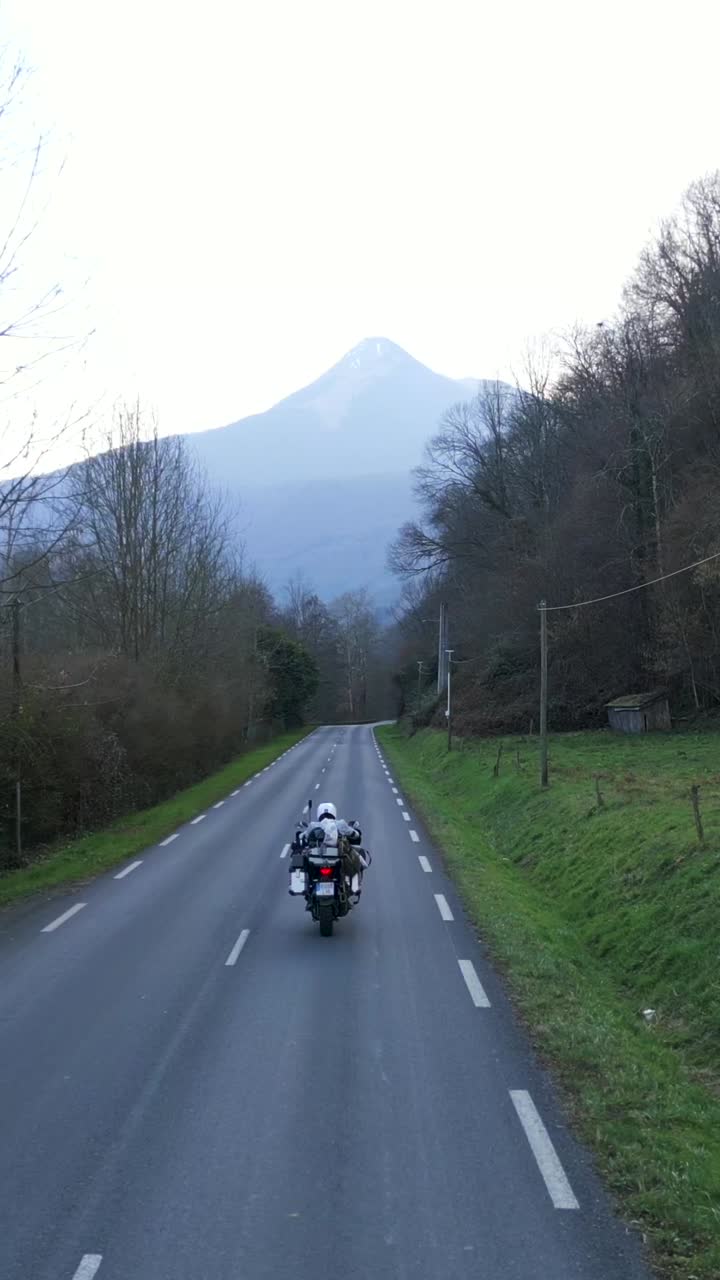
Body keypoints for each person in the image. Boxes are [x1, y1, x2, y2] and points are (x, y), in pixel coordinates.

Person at [292, 800, 371, 896]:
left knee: (300, 857)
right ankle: (355, 886)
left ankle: (299, 885)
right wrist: (355, 833)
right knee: (356, 860)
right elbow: (355, 834)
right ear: (334, 812)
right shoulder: (341, 824)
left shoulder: (313, 825)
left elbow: (302, 837)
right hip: (337, 858)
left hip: (316, 860)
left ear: (319, 813)